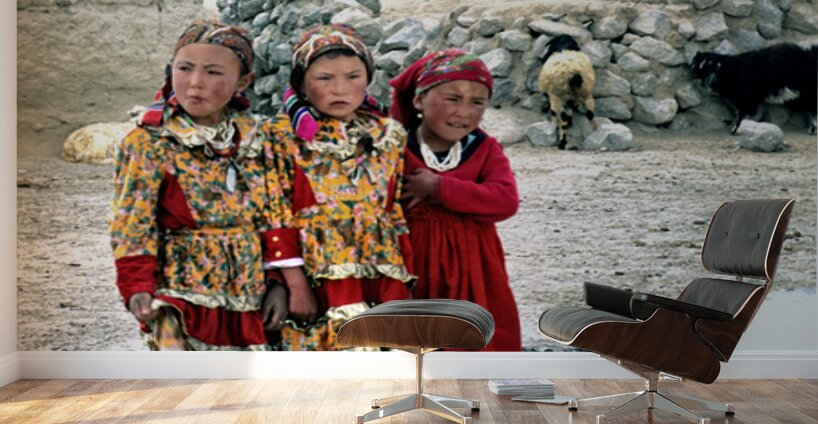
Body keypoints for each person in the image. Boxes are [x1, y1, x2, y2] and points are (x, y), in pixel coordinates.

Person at [110, 19, 306, 350]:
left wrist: (278, 284)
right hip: (180, 293)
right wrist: (136, 285)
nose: (195, 83)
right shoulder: (150, 143)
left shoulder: (261, 141)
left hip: (249, 295)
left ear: (244, 81)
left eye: (213, 72)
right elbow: (132, 221)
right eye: (184, 68)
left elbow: (276, 214)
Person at [271, 24, 414, 350]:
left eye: (353, 76)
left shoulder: (388, 134)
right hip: (318, 274)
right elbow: (275, 214)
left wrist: (404, 276)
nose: (340, 89)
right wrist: (294, 285)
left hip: (381, 271)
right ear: (301, 82)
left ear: (368, 78)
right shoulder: (281, 137)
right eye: (324, 78)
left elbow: (393, 209)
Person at [389, 48, 522, 351]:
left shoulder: (485, 149)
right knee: (417, 341)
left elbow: (505, 200)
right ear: (419, 100)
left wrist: (439, 188)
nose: (464, 111)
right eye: (452, 98)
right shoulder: (395, 147)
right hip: (413, 263)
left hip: (475, 267)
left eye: (477, 102)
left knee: (477, 341)